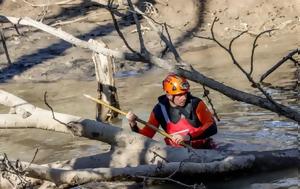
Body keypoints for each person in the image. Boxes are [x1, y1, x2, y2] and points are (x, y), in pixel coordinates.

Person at [126, 73, 217, 149]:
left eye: (185, 93)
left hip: (203, 148)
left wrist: (187, 137)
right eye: (180, 95)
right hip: (177, 153)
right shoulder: (159, 110)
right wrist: (133, 124)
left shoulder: (196, 104)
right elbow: (145, 137)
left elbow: (212, 127)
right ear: (169, 95)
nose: (184, 98)